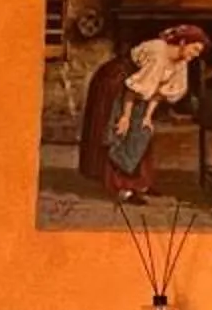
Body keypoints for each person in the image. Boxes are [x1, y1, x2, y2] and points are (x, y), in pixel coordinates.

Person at [75, 24, 203, 202]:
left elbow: (160, 91)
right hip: (115, 82)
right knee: (120, 131)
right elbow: (133, 90)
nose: (196, 54)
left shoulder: (181, 63)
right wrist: (125, 117)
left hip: (137, 87)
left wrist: (147, 117)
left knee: (142, 131)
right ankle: (121, 188)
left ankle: (140, 183)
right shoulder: (158, 54)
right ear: (182, 42)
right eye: (195, 48)